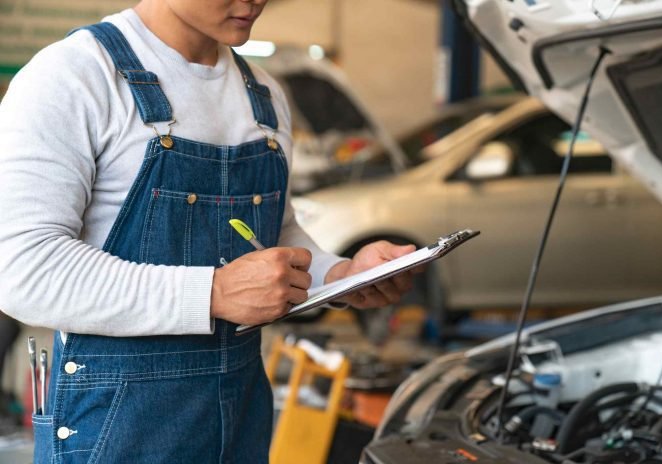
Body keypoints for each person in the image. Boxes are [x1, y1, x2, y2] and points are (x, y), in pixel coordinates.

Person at [0, 1, 417, 462]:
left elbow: (275, 235)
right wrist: (212, 292)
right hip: (116, 430)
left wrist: (340, 275)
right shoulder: (75, 76)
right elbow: (23, 270)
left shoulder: (264, 94)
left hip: (239, 420)